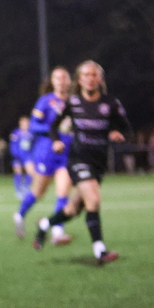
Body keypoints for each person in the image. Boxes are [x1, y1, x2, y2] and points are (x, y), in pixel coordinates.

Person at [34, 61, 130, 263]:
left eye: (94, 74)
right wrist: (57, 141)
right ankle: (100, 251)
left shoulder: (111, 103)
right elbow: (53, 126)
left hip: (99, 163)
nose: (90, 78)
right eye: (86, 75)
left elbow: (125, 126)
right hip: (78, 159)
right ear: (79, 79)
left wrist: (116, 132)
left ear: (100, 79)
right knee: (93, 201)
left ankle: (44, 224)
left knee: (73, 209)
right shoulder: (72, 102)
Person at [14, 67, 73, 243]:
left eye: (64, 77)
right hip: (46, 152)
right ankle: (19, 215)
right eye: (57, 77)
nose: (61, 80)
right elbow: (33, 126)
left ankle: (57, 231)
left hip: (67, 153)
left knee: (63, 192)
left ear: (69, 81)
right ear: (52, 82)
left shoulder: (74, 102)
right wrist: (53, 131)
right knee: (39, 192)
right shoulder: (46, 101)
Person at [9, 116, 33, 200]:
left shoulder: (31, 133)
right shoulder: (16, 133)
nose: (25, 124)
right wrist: (15, 154)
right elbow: (13, 145)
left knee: (31, 172)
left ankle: (25, 187)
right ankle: (18, 190)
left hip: (27, 156)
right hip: (17, 156)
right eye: (23, 122)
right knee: (18, 172)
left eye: (26, 122)